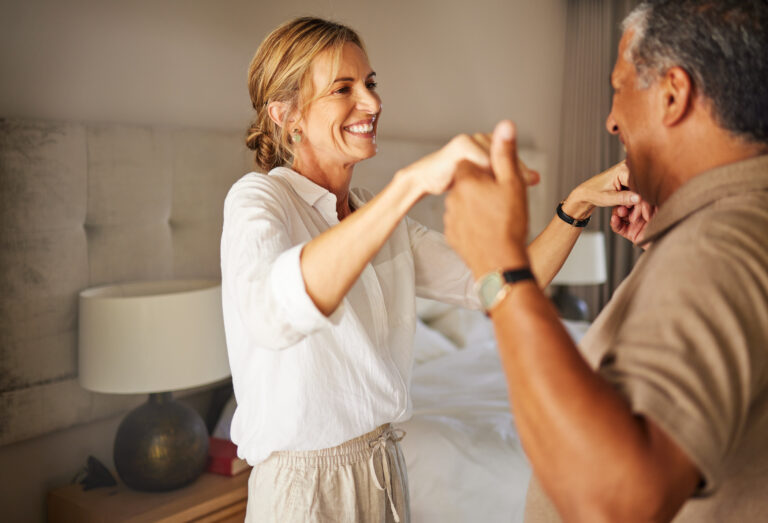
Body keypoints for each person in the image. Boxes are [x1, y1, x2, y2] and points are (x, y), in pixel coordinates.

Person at [221, 17, 639, 523]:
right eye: (344, 89)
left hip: (385, 470)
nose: (372, 104)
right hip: (305, 490)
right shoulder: (260, 200)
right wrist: (410, 185)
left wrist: (577, 203)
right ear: (287, 114)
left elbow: (493, 285)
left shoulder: (375, 212)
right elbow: (272, 311)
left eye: (371, 84)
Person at [443, 1, 768, 521]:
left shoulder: (716, 245)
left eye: (619, 88)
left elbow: (617, 502)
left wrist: (500, 266)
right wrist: (667, 258)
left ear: (672, 95)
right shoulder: (737, 228)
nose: (612, 121)